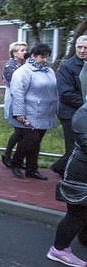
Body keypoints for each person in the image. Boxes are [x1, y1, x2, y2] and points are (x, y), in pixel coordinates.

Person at [8, 43, 57, 180]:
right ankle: (16, 163)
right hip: (29, 114)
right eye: (42, 57)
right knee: (30, 140)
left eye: (47, 57)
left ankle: (32, 169)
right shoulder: (23, 72)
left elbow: (54, 91)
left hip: (44, 114)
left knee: (36, 142)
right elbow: (17, 94)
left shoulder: (49, 71)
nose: (45, 60)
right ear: (33, 56)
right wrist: (19, 114)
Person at [49, 97, 87, 267]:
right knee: (77, 214)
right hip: (81, 171)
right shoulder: (83, 113)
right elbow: (85, 142)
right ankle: (58, 249)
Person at [52, 35, 87, 176]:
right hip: (70, 114)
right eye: (79, 47)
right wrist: (85, 104)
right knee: (73, 147)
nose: (82, 50)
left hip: (83, 113)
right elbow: (66, 93)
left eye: (86, 48)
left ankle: (60, 167)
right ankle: (66, 175)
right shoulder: (67, 67)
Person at [1, 42, 29, 167]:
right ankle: (7, 155)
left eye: (25, 50)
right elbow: (17, 83)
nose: (25, 52)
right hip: (14, 97)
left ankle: (16, 156)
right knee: (19, 130)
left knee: (23, 131)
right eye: (22, 50)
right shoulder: (10, 66)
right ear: (14, 52)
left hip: (24, 99)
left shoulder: (25, 64)